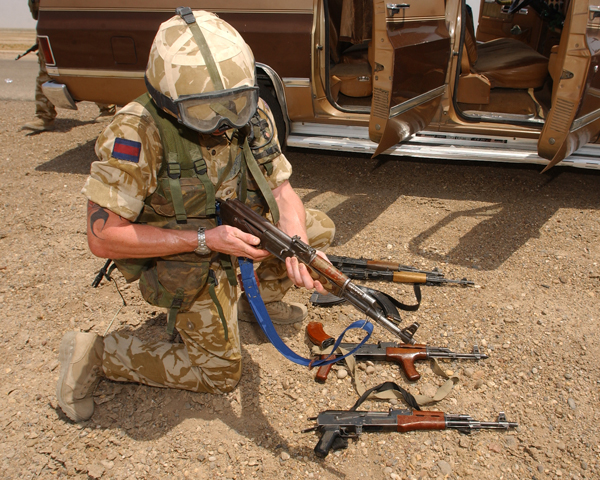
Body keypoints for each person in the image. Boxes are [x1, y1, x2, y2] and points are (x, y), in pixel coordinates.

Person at [56, 9, 335, 423]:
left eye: (234, 104)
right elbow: (103, 238)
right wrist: (205, 240)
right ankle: (95, 355)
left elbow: (281, 188)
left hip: (234, 229)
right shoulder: (136, 131)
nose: (223, 120)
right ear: (168, 102)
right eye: (204, 112)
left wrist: (296, 245)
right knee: (221, 375)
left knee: (316, 227)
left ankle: (254, 303)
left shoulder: (251, 112)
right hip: (181, 250)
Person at [22, 0, 115, 132]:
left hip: (81, 20)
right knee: (47, 69)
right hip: (53, 21)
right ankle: (44, 116)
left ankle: (107, 108)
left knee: (91, 65)